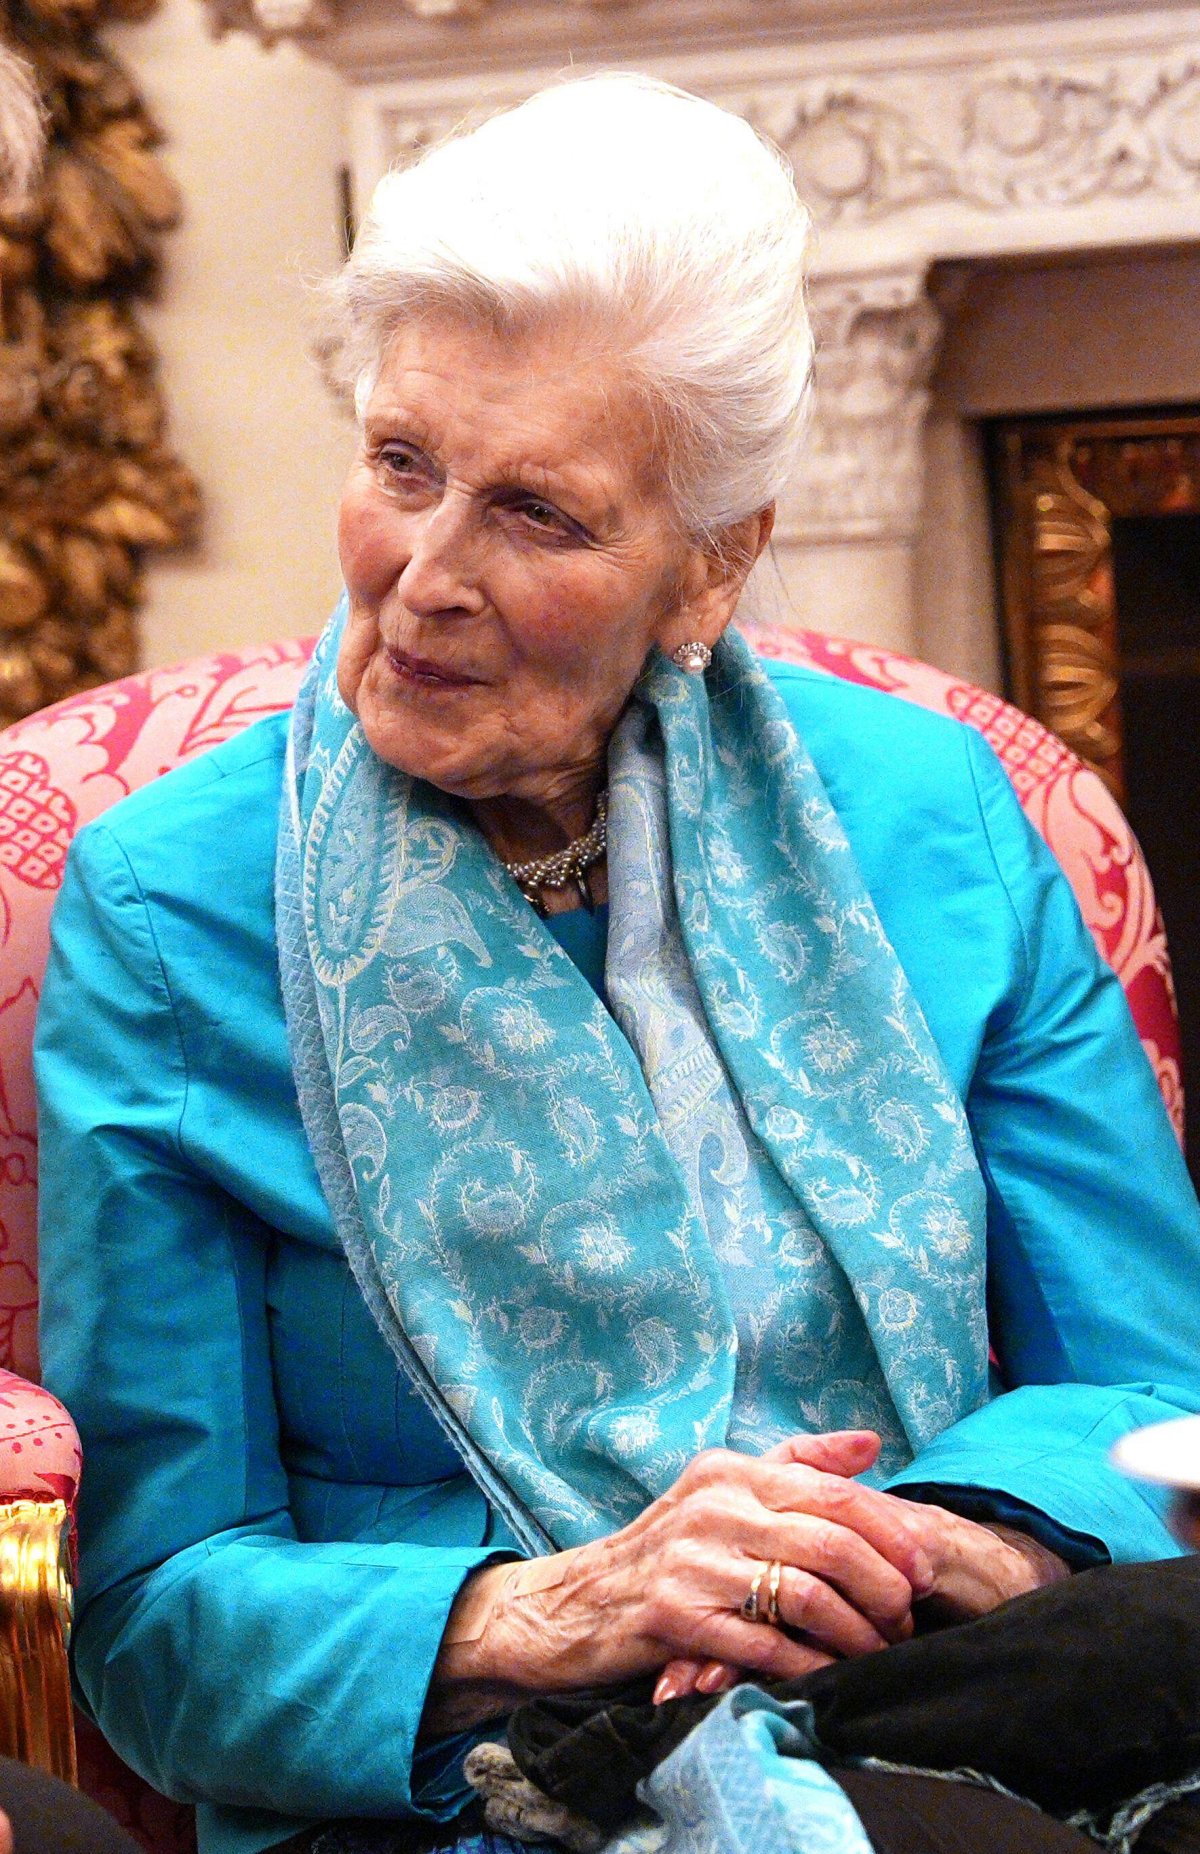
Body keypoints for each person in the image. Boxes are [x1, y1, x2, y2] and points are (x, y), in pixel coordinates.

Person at [33, 74, 1200, 1854]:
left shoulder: (936, 819)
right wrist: (563, 1609)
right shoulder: (168, 907)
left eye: (538, 515)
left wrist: (942, 1541)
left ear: (710, 566)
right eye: (401, 463)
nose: (421, 574)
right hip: (491, 1787)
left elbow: (1154, 1387)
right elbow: (151, 1614)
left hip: (967, 1691)